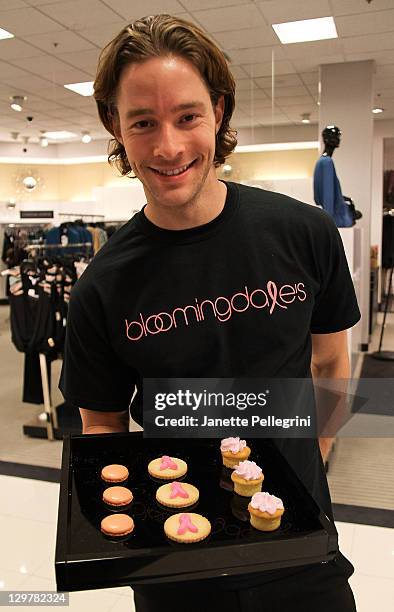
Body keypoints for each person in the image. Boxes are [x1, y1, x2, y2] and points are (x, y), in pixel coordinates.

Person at [59, 14, 360, 612]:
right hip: (179, 570)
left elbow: (331, 362)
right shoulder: (102, 287)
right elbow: (103, 426)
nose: (168, 147)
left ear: (218, 112)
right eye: (143, 122)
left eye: (188, 116)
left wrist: (312, 457)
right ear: (114, 127)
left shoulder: (304, 234)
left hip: (301, 553)